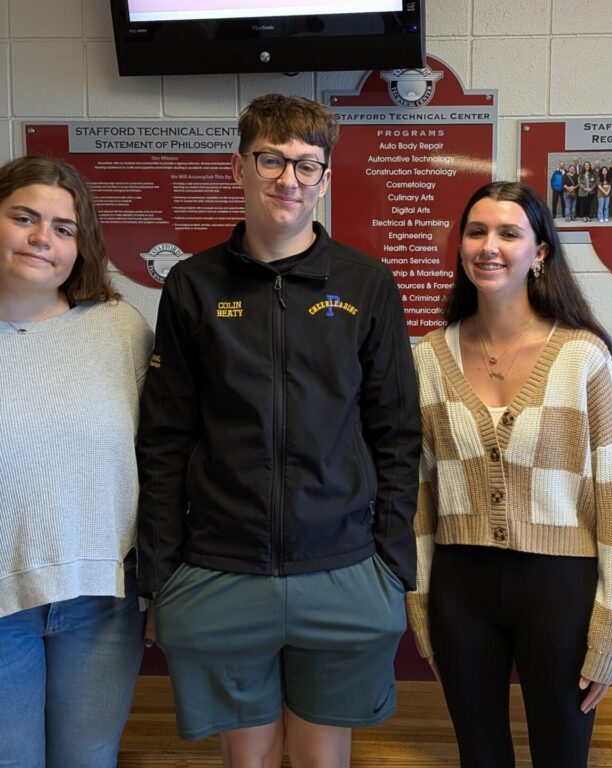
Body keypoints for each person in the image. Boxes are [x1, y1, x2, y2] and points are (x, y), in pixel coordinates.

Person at [136, 93, 421, 768]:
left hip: (343, 565)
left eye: (305, 164)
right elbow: (165, 437)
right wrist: (161, 572)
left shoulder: (367, 282)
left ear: (325, 179)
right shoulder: (191, 285)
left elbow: (397, 433)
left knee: (322, 760)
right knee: (250, 759)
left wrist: (392, 566)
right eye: (270, 159)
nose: (287, 179)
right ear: (238, 167)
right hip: (220, 565)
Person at [407, 181, 612, 768]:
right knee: (480, 758)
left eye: (509, 233)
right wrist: (420, 604)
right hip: (461, 590)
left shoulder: (583, 358)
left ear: (539, 252)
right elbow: (418, 495)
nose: (489, 246)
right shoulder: (428, 358)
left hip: (560, 590)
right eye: (476, 231)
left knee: (562, 758)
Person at [0, 155, 153, 767]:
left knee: (88, 759)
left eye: (64, 228)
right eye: (24, 218)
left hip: (101, 598)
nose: (44, 239)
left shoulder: (121, 329)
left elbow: (159, 460)